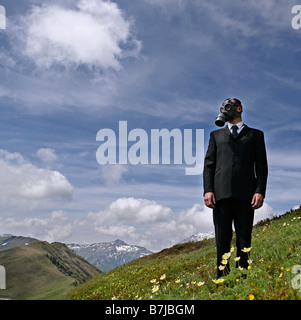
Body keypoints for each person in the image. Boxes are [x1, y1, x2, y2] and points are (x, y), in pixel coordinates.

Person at [203, 98, 268, 278]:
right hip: (220, 195)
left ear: (238, 108)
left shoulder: (256, 135)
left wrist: (259, 190)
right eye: (223, 106)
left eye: (229, 105)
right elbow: (209, 165)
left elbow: (261, 167)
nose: (225, 108)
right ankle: (222, 280)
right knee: (222, 240)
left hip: (246, 195)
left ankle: (243, 278)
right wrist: (208, 190)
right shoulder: (215, 136)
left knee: (244, 239)